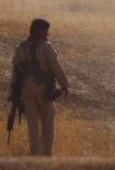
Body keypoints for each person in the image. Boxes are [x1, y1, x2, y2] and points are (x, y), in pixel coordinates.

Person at [10, 18, 70, 156]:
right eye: (45, 30)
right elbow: (56, 67)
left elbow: (15, 72)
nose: (47, 33)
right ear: (39, 30)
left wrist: (12, 93)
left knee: (33, 124)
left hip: (25, 90)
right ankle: (47, 154)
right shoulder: (46, 47)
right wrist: (64, 85)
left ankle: (34, 154)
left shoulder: (21, 47)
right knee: (47, 121)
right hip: (43, 89)